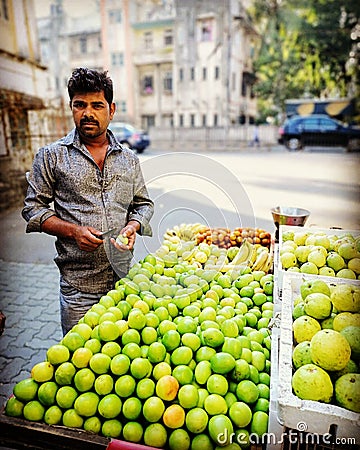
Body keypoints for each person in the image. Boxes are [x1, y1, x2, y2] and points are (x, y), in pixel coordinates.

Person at [22, 68, 154, 336]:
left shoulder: (128, 159)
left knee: (120, 363)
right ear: (71, 107)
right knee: (79, 365)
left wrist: (132, 227)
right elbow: (33, 209)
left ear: (111, 109)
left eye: (97, 105)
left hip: (122, 282)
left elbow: (143, 205)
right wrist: (74, 231)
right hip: (78, 289)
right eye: (80, 105)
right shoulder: (51, 157)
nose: (88, 113)